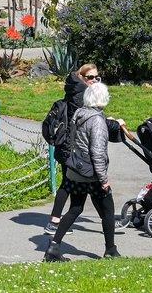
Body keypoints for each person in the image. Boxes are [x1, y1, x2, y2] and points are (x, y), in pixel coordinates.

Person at [45, 81, 119, 260]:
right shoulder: (98, 121)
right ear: (104, 99)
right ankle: (110, 250)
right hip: (91, 174)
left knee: (75, 208)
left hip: (76, 170)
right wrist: (103, 180)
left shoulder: (79, 113)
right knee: (108, 211)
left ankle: (53, 247)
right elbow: (97, 152)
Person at [45, 63, 100, 234]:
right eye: (91, 77)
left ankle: (54, 221)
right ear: (82, 77)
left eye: (97, 77)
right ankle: (55, 223)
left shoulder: (74, 89)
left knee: (67, 183)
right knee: (92, 183)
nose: (95, 80)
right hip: (73, 147)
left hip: (66, 146)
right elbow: (84, 119)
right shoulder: (81, 94)